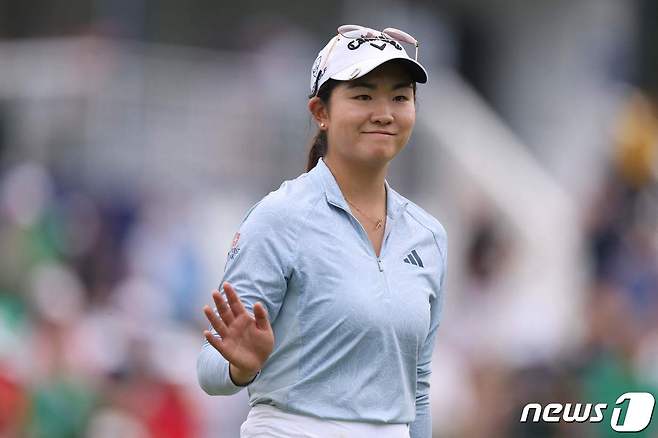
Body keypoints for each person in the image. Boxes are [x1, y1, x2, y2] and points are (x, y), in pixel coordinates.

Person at [197, 24, 448, 438]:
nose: (384, 112)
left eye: (400, 97)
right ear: (321, 112)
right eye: (363, 95)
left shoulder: (429, 235)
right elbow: (210, 365)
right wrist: (241, 366)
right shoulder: (280, 217)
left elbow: (417, 390)